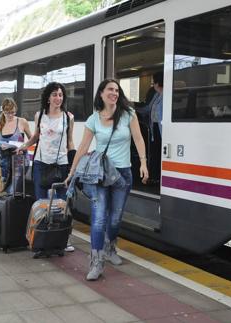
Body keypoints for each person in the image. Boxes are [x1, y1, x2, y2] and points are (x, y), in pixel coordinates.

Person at [65, 79, 149, 280]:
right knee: (99, 217)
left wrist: (144, 163)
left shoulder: (128, 114)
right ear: (101, 93)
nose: (115, 93)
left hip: (122, 174)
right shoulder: (93, 119)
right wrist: (72, 171)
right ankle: (96, 262)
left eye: (117, 90)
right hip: (100, 175)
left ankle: (110, 247)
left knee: (115, 218)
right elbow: (84, 147)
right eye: (110, 90)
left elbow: (138, 138)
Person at [20, 82, 74, 200]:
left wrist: (72, 164)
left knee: (61, 203)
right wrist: (23, 146)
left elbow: (70, 141)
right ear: (48, 98)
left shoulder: (68, 117)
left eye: (60, 95)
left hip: (61, 164)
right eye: (54, 95)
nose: (58, 98)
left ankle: (57, 219)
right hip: (41, 163)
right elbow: (36, 137)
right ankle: (43, 219)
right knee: (41, 201)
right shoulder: (39, 116)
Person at [0, 98, 32, 193]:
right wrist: (0, 146)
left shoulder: (22, 122)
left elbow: (32, 139)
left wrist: (24, 146)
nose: (10, 115)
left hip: (20, 160)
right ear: (3, 111)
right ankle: (9, 206)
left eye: (13, 112)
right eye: (7, 113)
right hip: (5, 162)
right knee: (6, 187)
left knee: (13, 189)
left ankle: (11, 204)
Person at [148, 71, 163, 183]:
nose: (153, 85)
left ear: (158, 83)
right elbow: (148, 109)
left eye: (153, 83)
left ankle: (158, 178)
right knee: (155, 153)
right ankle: (155, 177)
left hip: (162, 128)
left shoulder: (166, 96)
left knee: (159, 153)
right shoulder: (158, 95)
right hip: (155, 128)